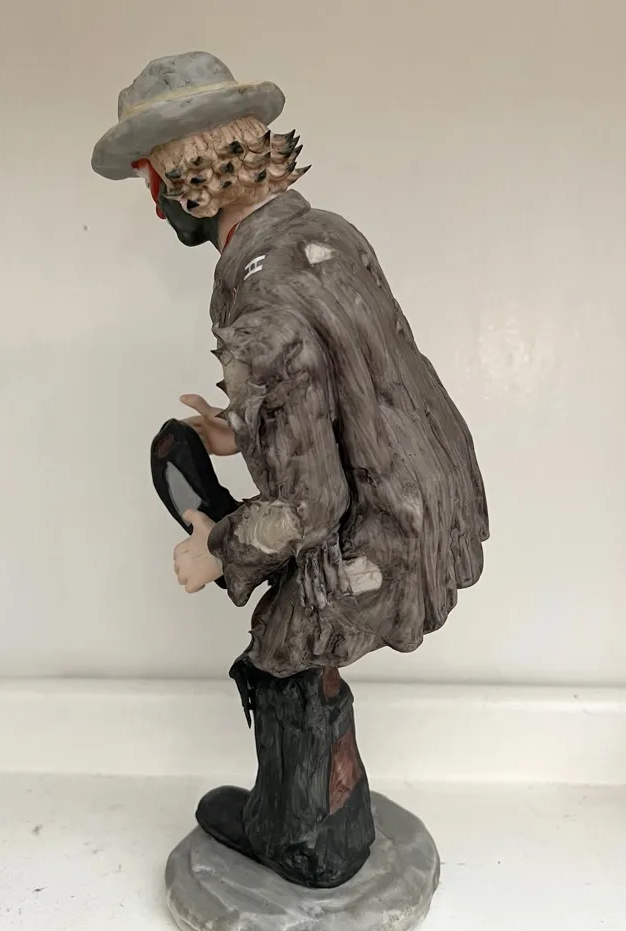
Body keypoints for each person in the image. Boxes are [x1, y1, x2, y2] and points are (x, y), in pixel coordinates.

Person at [92, 51, 489, 888]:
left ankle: (306, 839)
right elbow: (358, 382)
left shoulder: (261, 302)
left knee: (283, 653)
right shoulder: (327, 233)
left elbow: (310, 507)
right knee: (292, 630)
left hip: (378, 535)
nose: (154, 205)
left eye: (152, 183)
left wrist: (215, 551)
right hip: (433, 498)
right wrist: (251, 426)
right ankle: (327, 814)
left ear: (187, 185)